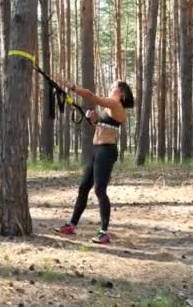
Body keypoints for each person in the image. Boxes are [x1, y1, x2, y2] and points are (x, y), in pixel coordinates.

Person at [55, 80, 134, 244]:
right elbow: (101, 128)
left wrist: (73, 87)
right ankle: (71, 225)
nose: (111, 87)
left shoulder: (115, 105)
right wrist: (94, 120)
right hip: (97, 150)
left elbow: (92, 97)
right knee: (84, 187)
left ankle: (104, 232)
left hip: (106, 151)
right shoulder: (109, 109)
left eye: (114, 86)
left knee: (99, 190)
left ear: (121, 93)